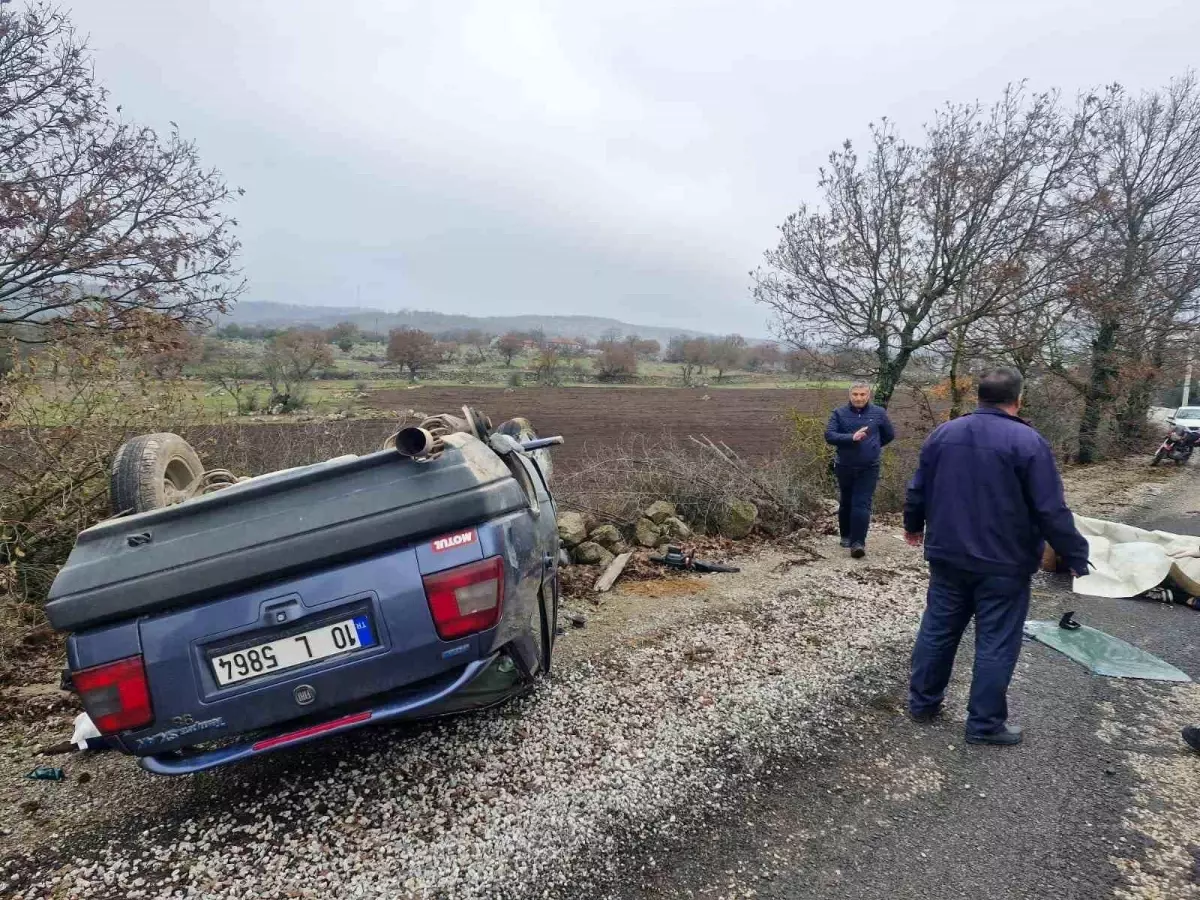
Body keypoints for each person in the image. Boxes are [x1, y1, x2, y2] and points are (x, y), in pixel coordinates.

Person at [903, 368, 1090, 746]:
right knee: (996, 641)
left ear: (979, 397)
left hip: (948, 555)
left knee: (938, 629)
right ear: (1017, 400)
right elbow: (1050, 509)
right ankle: (984, 724)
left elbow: (917, 487)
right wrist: (1075, 554)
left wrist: (913, 525)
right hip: (1005, 563)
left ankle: (922, 704)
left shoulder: (944, 433)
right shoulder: (1029, 442)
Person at [825, 382, 895, 558]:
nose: (859, 398)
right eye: (855, 394)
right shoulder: (839, 413)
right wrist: (852, 438)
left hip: (869, 466)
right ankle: (846, 536)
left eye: (862, 394)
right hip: (844, 465)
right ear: (850, 395)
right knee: (847, 501)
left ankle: (858, 543)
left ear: (868, 395)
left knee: (861, 502)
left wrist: (873, 447)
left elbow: (889, 435)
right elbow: (830, 435)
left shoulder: (878, 413)